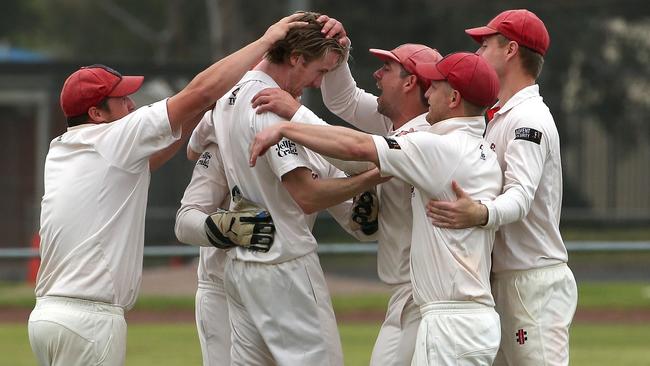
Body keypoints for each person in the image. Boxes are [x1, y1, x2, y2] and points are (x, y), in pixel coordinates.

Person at [27, 14, 309, 366]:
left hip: (47, 317)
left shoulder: (66, 147)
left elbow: (158, 151)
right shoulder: (113, 139)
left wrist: (202, 107)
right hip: (89, 319)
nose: (131, 105)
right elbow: (198, 91)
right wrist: (268, 41)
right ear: (97, 113)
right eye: (121, 100)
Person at [249, 52, 504, 366]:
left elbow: (356, 150)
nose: (428, 93)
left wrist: (288, 126)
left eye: (435, 86)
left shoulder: (438, 146)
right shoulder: (475, 147)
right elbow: (349, 105)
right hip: (456, 313)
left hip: (449, 315)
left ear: (454, 98)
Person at [252, 25, 443, 364]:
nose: (378, 73)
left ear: (411, 82)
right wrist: (339, 51)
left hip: (425, 293)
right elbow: (343, 99)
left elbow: (349, 154)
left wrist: (293, 116)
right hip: (408, 293)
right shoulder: (395, 125)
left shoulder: (423, 134)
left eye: (388, 68)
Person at [208, 11, 386, 366]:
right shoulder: (269, 106)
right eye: (319, 71)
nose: (318, 84)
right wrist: (372, 177)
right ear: (296, 58)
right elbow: (306, 197)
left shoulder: (231, 94)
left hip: (242, 266)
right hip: (285, 264)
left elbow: (195, 146)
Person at [426, 9, 578, 365]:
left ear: (511, 49)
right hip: (505, 281)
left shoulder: (529, 119)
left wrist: (478, 213)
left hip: (531, 283)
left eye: (485, 43)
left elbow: (521, 197)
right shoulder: (500, 115)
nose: (478, 52)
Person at [175, 111, 377, 366]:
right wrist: (226, 228)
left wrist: (365, 213)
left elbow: (358, 225)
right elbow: (184, 221)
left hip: (288, 283)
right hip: (223, 288)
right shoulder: (224, 143)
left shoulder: (317, 149)